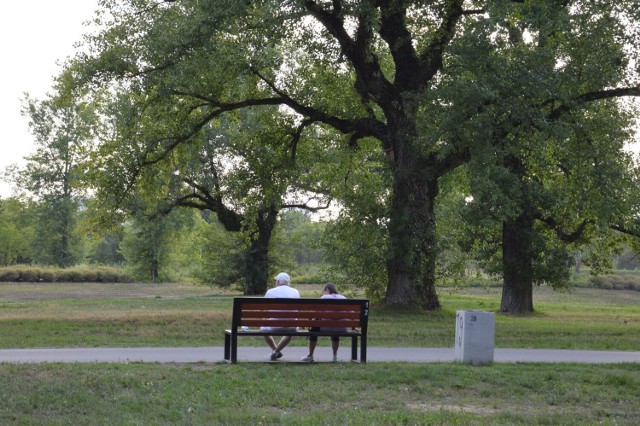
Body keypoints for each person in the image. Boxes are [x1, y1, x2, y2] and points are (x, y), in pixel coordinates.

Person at [301, 282, 346, 363]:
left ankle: (310, 355)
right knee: (335, 327)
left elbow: (317, 314)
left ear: (327, 290)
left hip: (325, 327)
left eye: (324, 291)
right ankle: (335, 356)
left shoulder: (324, 297)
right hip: (341, 328)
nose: (323, 292)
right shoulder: (343, 298)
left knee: (314, 328)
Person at [262, 272, 300, 361]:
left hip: (273, 326)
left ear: (278, 282)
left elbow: (263, 308)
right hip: (291, 326)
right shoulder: (295, 292)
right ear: (288, 282)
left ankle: (275, 351)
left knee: (263, 328)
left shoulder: (270, 292)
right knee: (291, 330)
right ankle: (276, 352)